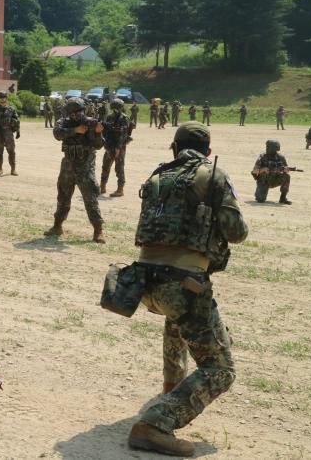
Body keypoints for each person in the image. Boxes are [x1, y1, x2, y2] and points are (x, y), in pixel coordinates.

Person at [121, 122, 248, 456]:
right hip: (183, 285)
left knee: (177, 322)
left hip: (146, 284)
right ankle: (154, 424)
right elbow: (237, 232)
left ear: (174, 149)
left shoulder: (156, 178)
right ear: (207, 151)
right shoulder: (213, 176)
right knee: (220, 370)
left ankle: (172, 389)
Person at [44, 97, 106, 244]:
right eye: (74, 111)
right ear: (69, 112)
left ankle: (98, 230)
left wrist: (97, 132)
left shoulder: (90, 123)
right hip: (68, 165)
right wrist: (75, 130)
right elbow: (57, 134)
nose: (77, 114)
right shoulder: (63, 122)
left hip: (85, 165)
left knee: (90, 198)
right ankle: (57, 226)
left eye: (80, 111)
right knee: (63, 196)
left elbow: (98, 146)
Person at [100, 99, 131, 198]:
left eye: (117, 108)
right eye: (114, 108)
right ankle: (102, 187)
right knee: (105, 166)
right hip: (110, 145)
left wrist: (118, 147)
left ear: (121, 107)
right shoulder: (110, 117)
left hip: (120, 146)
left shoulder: (124, 118)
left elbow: (123, 134)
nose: (116, 110)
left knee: (119, 168)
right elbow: (106, 131)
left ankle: (120, 189)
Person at [251, 140, 292, 204]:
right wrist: (263, 169)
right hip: (264, 181)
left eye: (268, 147)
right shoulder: (262, 157)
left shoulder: (281, 157)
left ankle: (283, 198)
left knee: (286, 176)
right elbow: (254, 171)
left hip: (275, 179)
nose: (267, 148)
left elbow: (286, 169)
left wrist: (286, 170)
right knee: (260, 200)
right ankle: (260, 193)